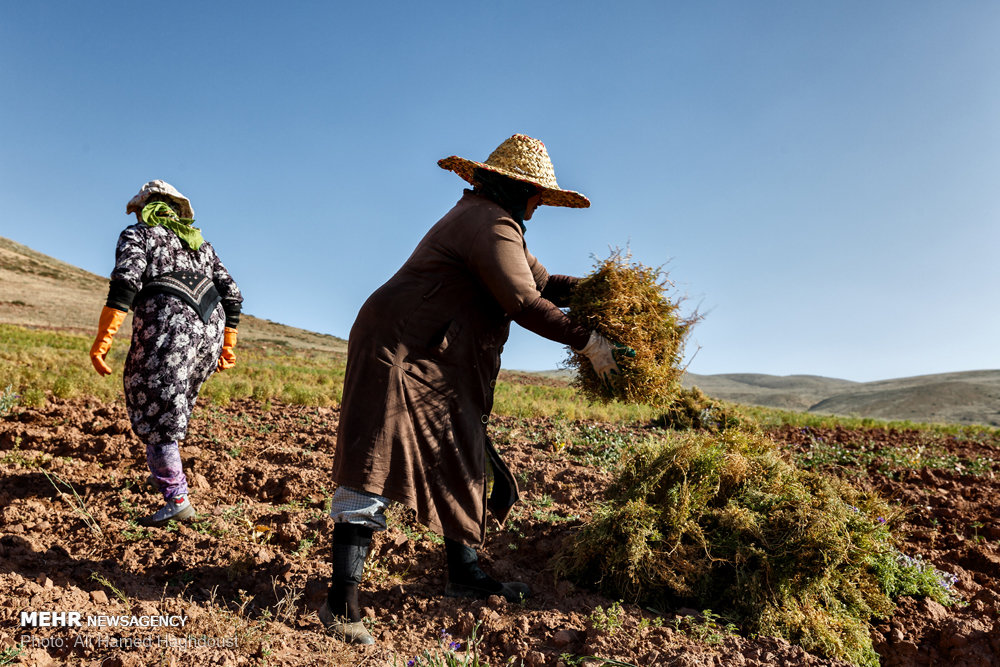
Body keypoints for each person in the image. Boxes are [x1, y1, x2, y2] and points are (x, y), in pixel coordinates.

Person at [321, 134, 628, 644]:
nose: (538, 206)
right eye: (537, 196)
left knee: (459, 452)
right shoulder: (489, 222)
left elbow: (542, 285)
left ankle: (463, 575)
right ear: (518, 189)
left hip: (436, 358)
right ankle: (341, 603)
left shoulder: (496, 225)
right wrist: (588, 341)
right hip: (401, 351)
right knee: (373, 460)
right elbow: (523, 303)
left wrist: (603, 291)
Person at [89, 180, 243, 527]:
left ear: (146, 208)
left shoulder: (139, 235)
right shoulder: (200, 244)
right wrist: (228, 343)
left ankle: (177, 500)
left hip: (168, 326)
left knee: (155, 409)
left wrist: (104, 339)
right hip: (210, 329)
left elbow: (127, 281)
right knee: (174, 402)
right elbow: (232, 293)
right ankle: (162, 470)